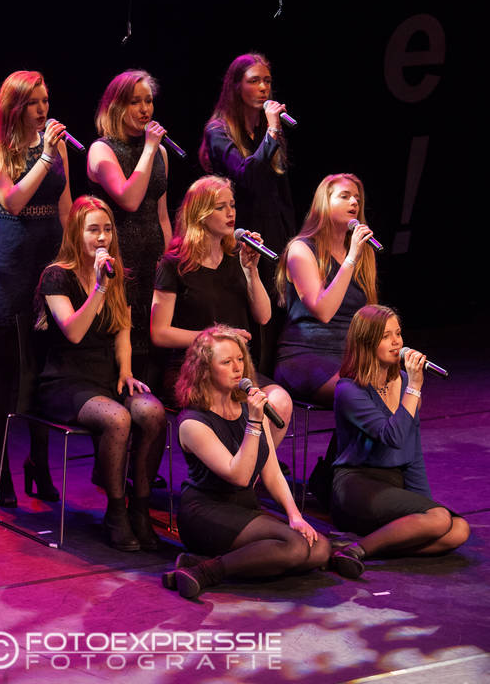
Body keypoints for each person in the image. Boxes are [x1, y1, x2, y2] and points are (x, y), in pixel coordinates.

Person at [160, 325, 331, 599]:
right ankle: (206, 572)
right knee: (296, 548)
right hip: (206, 512)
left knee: (320, 547)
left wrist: (294, 516)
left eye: (240, 359)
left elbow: (271, 472)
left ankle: (200, 562)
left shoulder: (247, 408)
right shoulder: (193, 422)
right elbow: (239, 476)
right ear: (205, 370)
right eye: (226, 362)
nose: (237, 367)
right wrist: (253, 422)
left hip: (244, 508)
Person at [36, 196, 167, 551]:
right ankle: (116, 511)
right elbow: (74, 332)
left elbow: (123, 329)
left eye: (107, 229)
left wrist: (126, 371)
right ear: (76, 233)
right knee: (118, 419)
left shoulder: (116, 274)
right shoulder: (56, 276)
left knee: (153, 412)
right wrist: (99, 288)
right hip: (65, 379)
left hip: (106, 376)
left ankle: (139, 508)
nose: (103, 237)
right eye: (93, 229)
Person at [0, 70, 72, 507]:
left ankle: (39, 461)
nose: (42, 110)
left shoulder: (56, 146)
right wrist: (46, 157)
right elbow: (13, 201)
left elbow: (65, 208)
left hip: (48, 264)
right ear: (14, 107)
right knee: (5, 370)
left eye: (45, 101)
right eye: (34, 102)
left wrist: (71, 261)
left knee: (44, 368)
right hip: (11, 269)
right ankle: (0, 466)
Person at [150, 175, 292, 447]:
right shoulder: (174, 265)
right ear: (200, 214)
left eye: (232, 205)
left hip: (236, 370)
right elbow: (159, 333)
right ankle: (233, 468)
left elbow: (264, 316)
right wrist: (216, 338)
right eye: (220, 207)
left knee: (280, 402)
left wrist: (251, 270)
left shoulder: (236, 258)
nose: (231, 213)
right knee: (231, 409)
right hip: (194, 369)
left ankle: (251, 469)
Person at [329, 305, 470, 579]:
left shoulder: (404, 381)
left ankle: (360, 547)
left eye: (398, 333)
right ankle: (357, 550)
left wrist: (425, 504)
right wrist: (414, 387)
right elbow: (391, 437)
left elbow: (411, 446)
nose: (397, 342)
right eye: (386, 336)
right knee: (439, 519)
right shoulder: (349, 390)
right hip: (358, 484)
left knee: (457, 529)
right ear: (367, 343)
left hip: (395, 482)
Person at [198, 52, 296, 374]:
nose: (263, 88)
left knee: (277, 309)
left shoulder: (268, 130)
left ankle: (272, 381)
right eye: (254, 81)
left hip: (275, 229)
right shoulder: (219, 131)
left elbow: (280, 191)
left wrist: (293, 239)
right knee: (252, 310)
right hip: (242, 232)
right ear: (236, 86)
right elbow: (247, 175)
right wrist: (272, 131)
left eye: (267, 81)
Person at [87, 69, 172, 380]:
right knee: (125, 344)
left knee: (154, 349)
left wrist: (170, 259)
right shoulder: (102, 149)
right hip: (120, 260)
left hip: (154, 260)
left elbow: (161, 212)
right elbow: (129, 199)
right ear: (116, 106)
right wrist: (149, 149)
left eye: (148, 101)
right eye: (135, 102)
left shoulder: (160, 152)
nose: (144, 109)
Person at [274, 173, 378, 408]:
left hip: (349, 356)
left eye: (357, 198)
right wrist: (351, 259)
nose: (354, 202)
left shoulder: (363, 253)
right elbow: (323, 310)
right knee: (364, 397)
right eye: (345, 196)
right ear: (324, 203)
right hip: (306, 356)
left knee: (405, 392)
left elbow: (368, 316)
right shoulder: (301, 249)